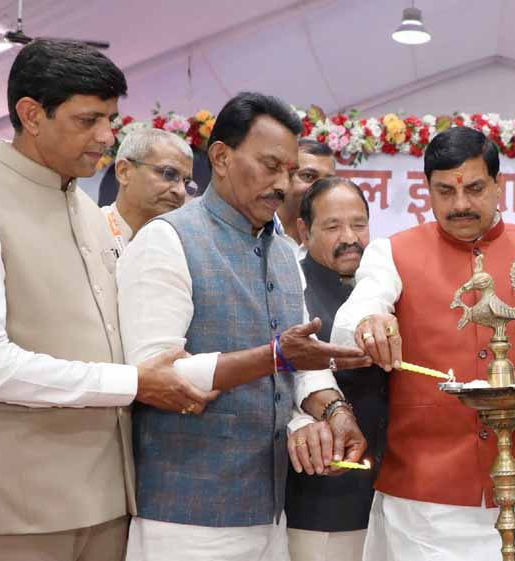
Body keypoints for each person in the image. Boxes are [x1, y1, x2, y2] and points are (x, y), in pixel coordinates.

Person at [0, 39, 207, 561]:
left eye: (110, 120)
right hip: (22, 508)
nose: (106, 137)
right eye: (88, 120)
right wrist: (132, 382)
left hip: (111, 500)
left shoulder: (91, 213)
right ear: (31, 114)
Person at [117, 92, 371, 561]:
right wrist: (275, 357)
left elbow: (303, 361)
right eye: (269, 166)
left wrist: (336, 412)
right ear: (220, 157)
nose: (283, 184)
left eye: (289, 171)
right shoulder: (167, 240)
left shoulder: (282, 250)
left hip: (270, 512)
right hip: (185, 515)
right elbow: (156, 377)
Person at [330, 126, 515, 561]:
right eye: (445, 191)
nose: (460, 205)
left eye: (475, 189)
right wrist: (370, 322)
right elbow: (348, 324)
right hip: (424, 502)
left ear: (499, 184)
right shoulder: (391, 254)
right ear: (426, 190)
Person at [285, 177, 388, 561]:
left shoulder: (385, 287)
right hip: (318, 502)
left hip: (390, 502)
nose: (349, 238)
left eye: (359, 225)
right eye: (332, 227)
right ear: (304, 231)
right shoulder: (289, 291)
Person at [102, 128, 194, 248]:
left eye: (186, 182)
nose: (181, 191)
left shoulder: (182, 247)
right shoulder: (88, 229)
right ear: (124, 171)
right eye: (169, 174)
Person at [275, 139, 336, 257]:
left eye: (328, 181)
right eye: (308, 176)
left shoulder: (336, 239)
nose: (320, 188)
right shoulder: (256, 230)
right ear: (283, 177)